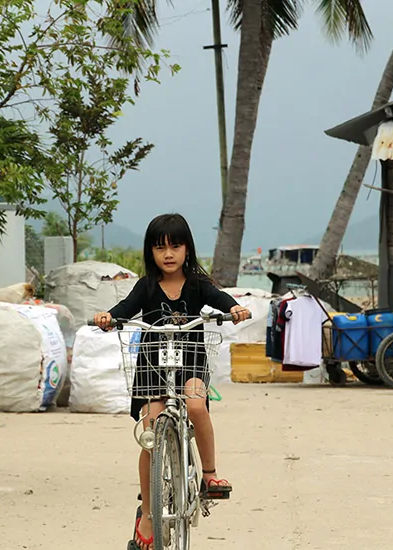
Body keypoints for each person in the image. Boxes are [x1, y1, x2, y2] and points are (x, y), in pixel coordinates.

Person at [93, 213, 250, 550]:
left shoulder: (197, 284)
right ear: (150, 252)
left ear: (187, 249)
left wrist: (235, 308)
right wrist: (109, 317)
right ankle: (148, 513)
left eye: (175, 246)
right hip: (152, 364)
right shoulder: (146, 286)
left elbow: (220, 299)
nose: (168, 254)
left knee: (196, 405)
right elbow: (125, 307)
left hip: (191, 360)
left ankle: (209, 476)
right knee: (150, 429)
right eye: (160, 247)